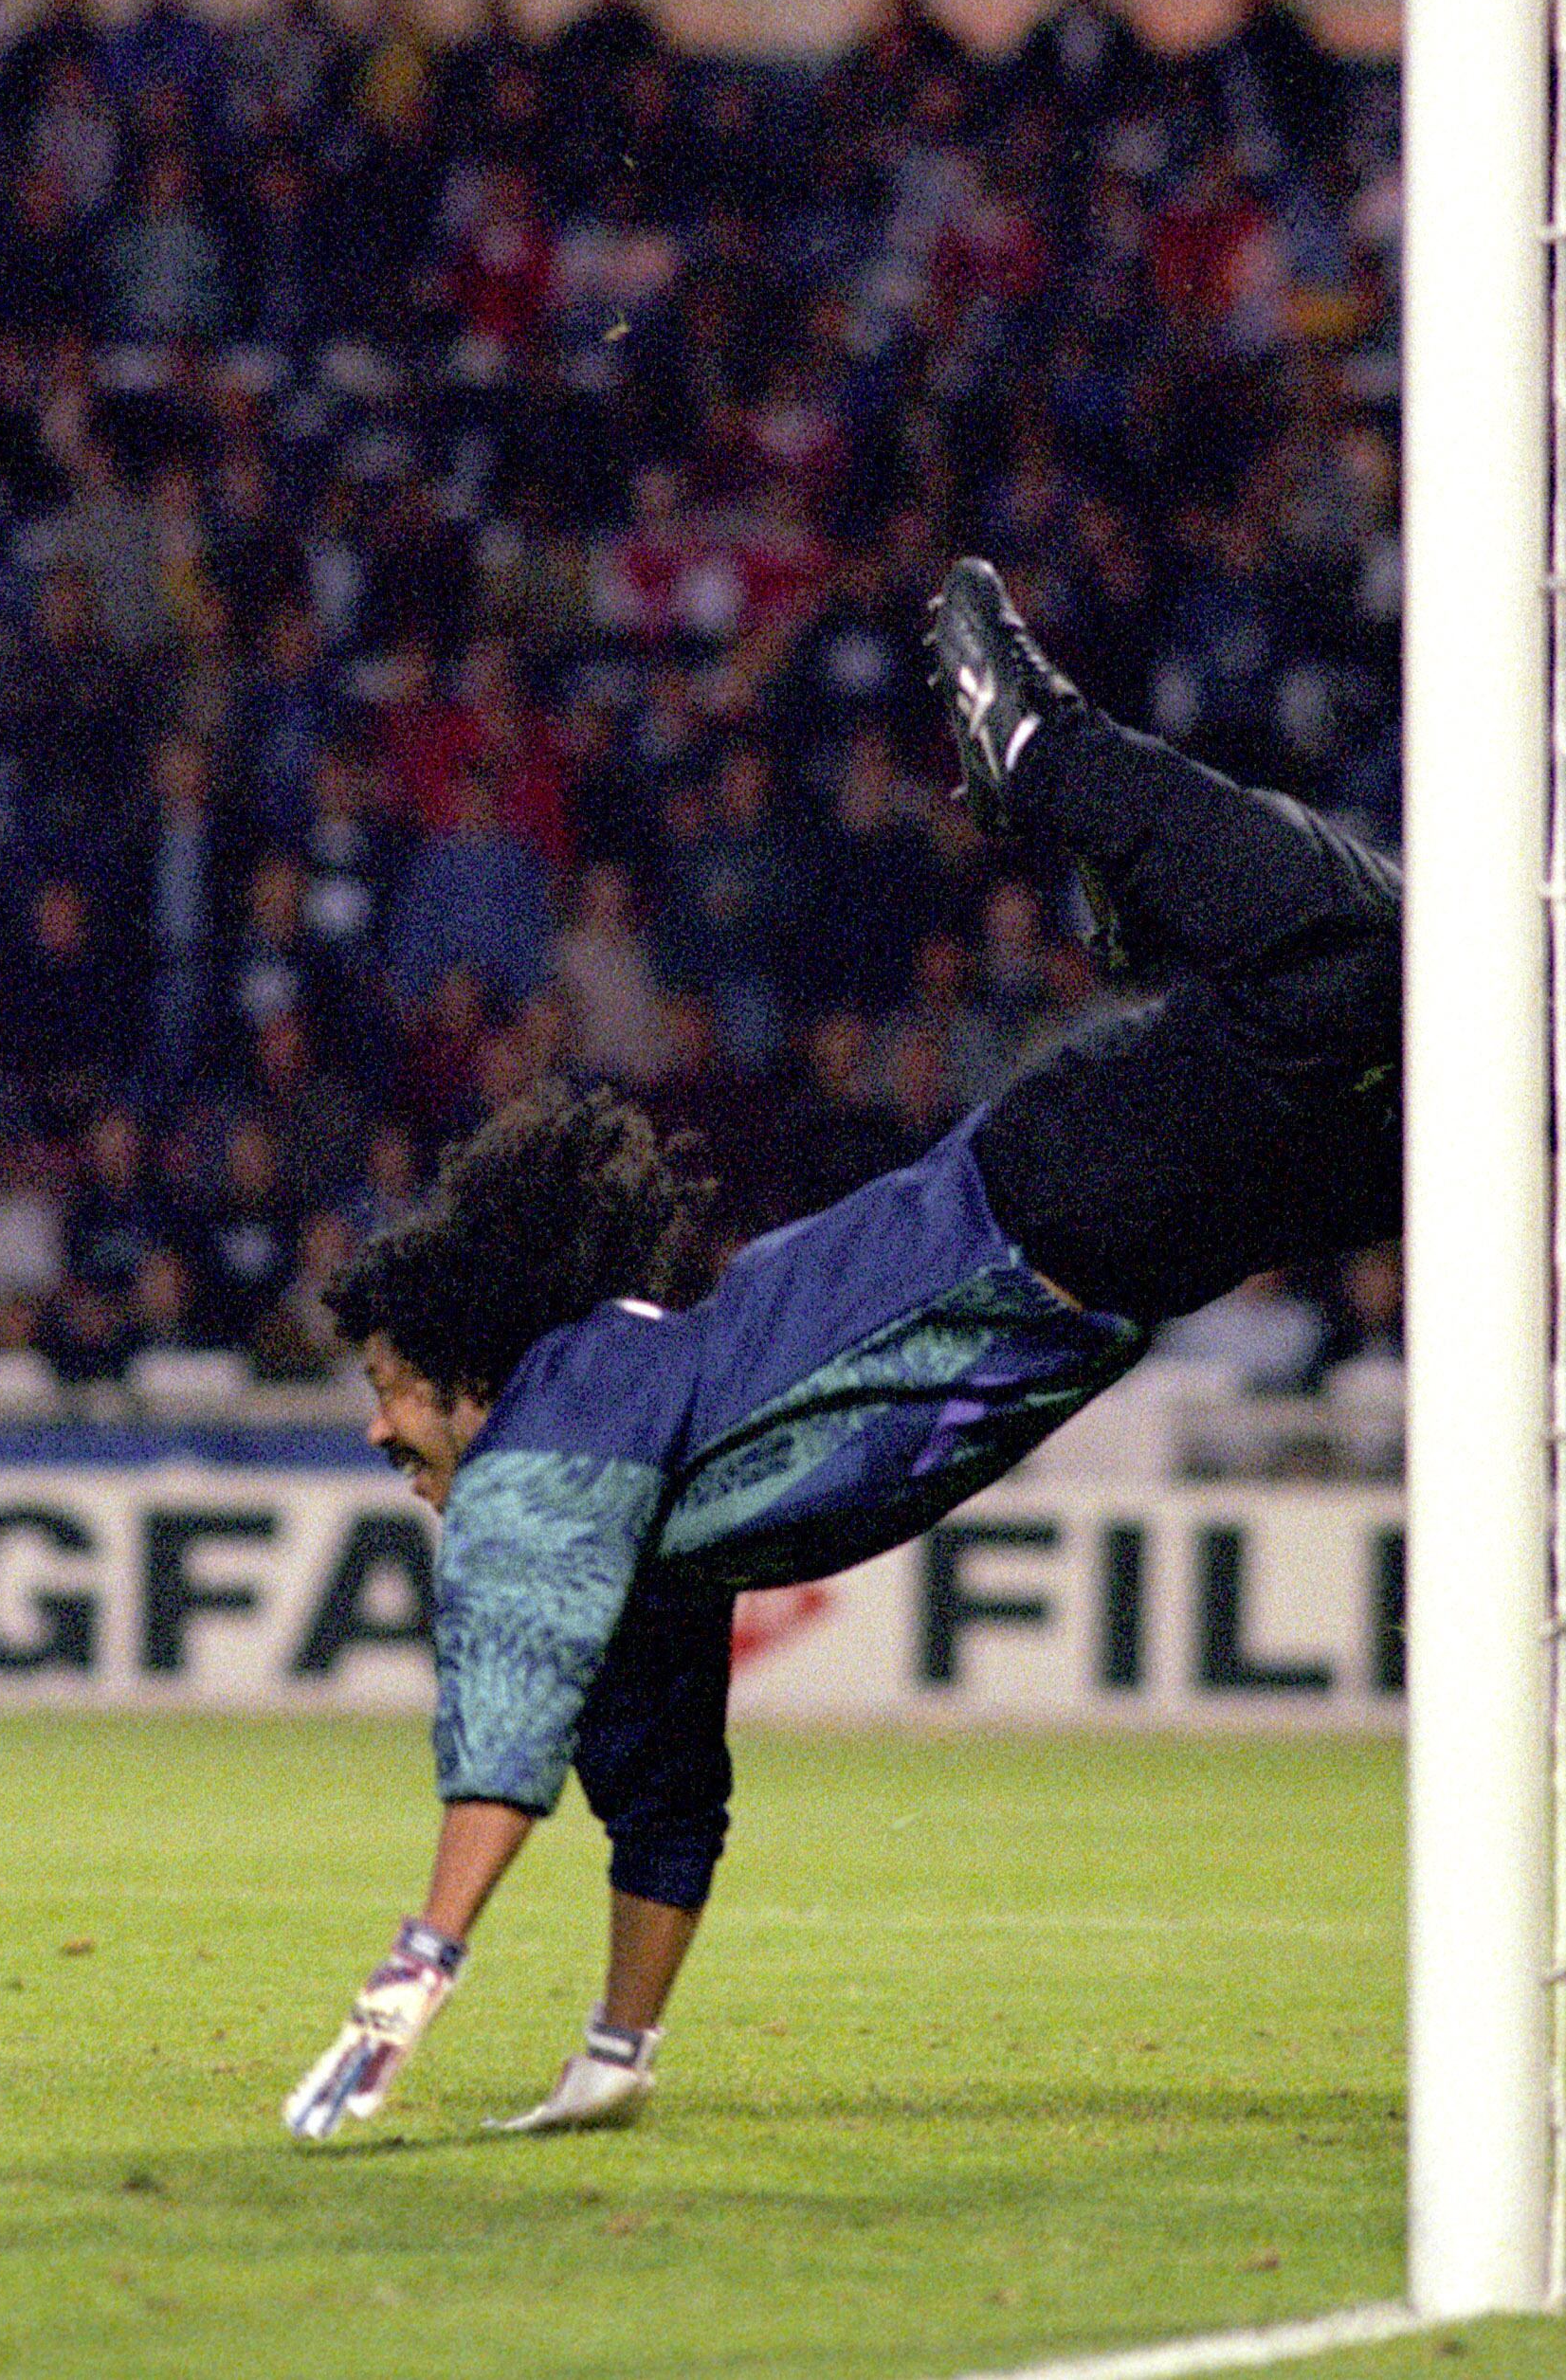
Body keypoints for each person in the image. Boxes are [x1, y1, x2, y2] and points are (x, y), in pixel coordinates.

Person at [282, 560, 1402, 2140]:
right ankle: (1148, 899)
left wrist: (415, 1971)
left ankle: (1042, 751)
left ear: (466, 1359)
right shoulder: (637, 1523)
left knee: (1369, 967)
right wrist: (613, 2051)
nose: (380, 1440)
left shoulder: (554, 1432)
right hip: (1098, 1276)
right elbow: (664, 1799)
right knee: (1435, 1052)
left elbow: (505, 1714)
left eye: (389, 1394)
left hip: (1040, 1216)